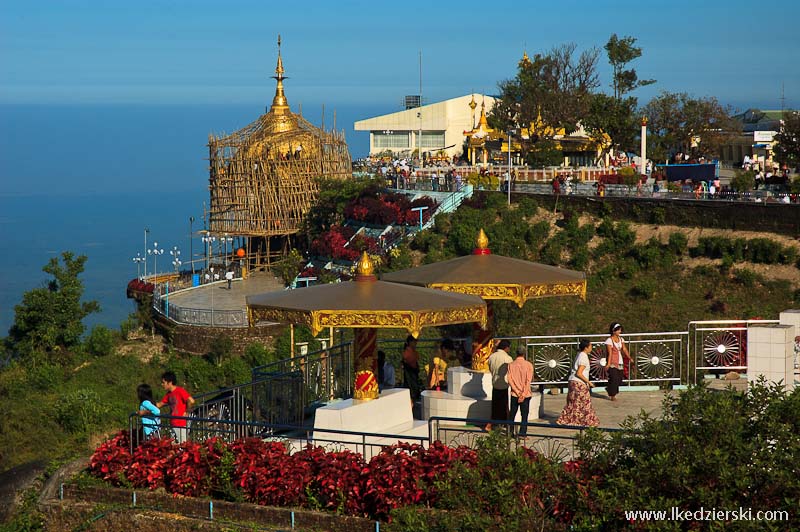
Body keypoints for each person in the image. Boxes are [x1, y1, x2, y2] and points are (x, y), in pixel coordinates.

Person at [556, 339, 599, 427]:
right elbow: (579, 373)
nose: (591, 348)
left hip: (572, 381)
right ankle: (585, 421)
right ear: (586, 347)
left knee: (574, 402)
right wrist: (588, 382)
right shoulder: (583, 357)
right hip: (579, 383)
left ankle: (570, 420)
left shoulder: (579, 355)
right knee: (584, 402)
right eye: (590, 346)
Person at [156, 371, 195, 443]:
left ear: (169, 382)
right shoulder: (168, 394)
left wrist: (186, 412)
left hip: (181, 423)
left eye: (163, 382)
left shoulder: (180, 391)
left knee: (182, 444)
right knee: (174, 446)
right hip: (173, 423)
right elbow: (159, 404)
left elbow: (191, 400)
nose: (162, 384)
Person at [507, 345, 534, 437]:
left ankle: (510, 432)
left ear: (516, 353)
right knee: (524, 415)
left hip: (515, 394)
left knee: (512, 414)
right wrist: (523, 394)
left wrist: (517, 392)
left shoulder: (511, 365)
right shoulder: (529, 365)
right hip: (525, 394)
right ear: (524, 353)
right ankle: (522, 433)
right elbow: (528, 381)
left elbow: (509, 380)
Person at [486, 339, 513, 431]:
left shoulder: (491, 357)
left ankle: (493, 425)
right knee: (504, 406)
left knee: (495, 406)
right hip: (503, 385)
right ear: (506, 348)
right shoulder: (508, 358)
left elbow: (490, 368)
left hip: (495, 384)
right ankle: (506, 425)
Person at [604, 323, 629, 401]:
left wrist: (629, 357)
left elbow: (624, 349)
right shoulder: (609, 340)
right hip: (612, 361)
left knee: (619, 378)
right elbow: (610, 353)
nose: (619, 331)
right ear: (613, 330)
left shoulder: (621, 339)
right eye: (618, 330)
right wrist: (608, 363)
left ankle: (610, 388)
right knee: (614, 377)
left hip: (620, 360)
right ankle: (612, 394)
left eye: (620, 330)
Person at [402, 335, 422, 403]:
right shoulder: (407, 351)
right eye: (414, 342)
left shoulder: (413, 351)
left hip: (414, 372)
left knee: (414, 387)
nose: (416, 343)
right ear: (410, 342)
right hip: (409, 372)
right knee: (411, 388)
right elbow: (405, 361)